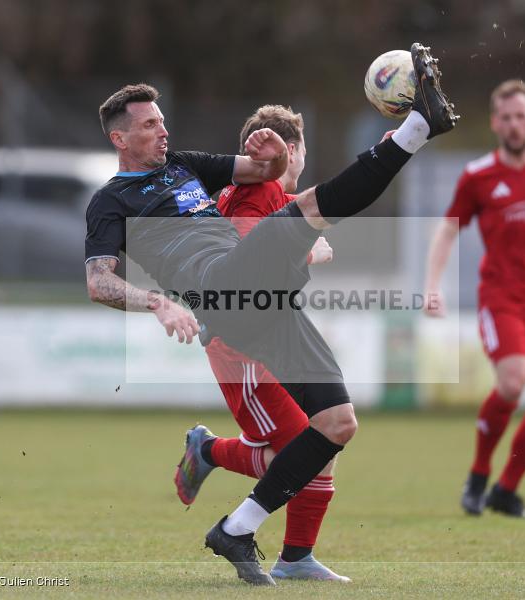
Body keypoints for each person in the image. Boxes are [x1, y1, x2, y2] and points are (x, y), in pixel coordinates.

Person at [85, 43, 458, 585]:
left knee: (336, 424)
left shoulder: (185, 164)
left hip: (262, 302)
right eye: (148, 126)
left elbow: (267, 169)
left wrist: (272, 151)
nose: (163, 132)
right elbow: (98, 281)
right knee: (306, 210)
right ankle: (418, 130)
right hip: (219, 288)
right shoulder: (110, 201)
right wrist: (158, 302)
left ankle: (236, 529)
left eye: (163, 121)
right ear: (120, 138)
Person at [173, 104, 349, 582]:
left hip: (266, 336)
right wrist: (311, 248)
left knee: (323, 438)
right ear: (292, 151)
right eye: (304, 151)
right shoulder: (261, 191)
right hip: (243, 348)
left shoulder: (259, 193)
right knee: (300, 448)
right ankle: (207, 451)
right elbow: (244, 262)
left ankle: (297, 557)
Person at [423, 79, 525, 520]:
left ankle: (506, 490)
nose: (515, 125)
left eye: (522, 116)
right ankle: (478, 475)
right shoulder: (479, 175)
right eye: (507, 118)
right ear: (496, 124)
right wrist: (432, 286)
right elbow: (447, 229)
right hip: (502, 298)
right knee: (513, 383)